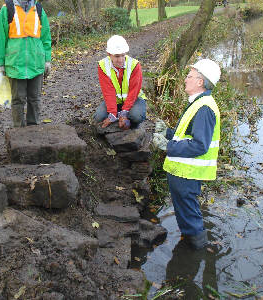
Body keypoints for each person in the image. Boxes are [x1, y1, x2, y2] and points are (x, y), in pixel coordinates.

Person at [153, 59, 221, 250]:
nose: (185, 79)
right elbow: (187, 133)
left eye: (189, 76)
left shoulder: (204, 107)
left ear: (200, 81)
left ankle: (195, 253)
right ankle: (192, 247)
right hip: (184, 172)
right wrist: (167, 132)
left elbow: (200, 145)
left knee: (189, 216)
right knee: (187, 213)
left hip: (188, 173)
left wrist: (168, 146)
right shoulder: (198, 103)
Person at [0, 0, 52, 127]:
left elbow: (46, 37)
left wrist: (47, 60)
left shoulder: (39, 9)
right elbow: (0, 37)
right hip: (15, 64)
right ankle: (18, 132)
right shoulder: (7, 9)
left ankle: (33, 129)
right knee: (17, 100)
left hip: (36, 63)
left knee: (35, 100)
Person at [94, 35, 147, 130]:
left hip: (135, 100)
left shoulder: (135, 65)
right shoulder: (102, 66)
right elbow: (108, 91)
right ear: (109, 54)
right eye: (117, 56)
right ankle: (117, 115)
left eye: (123, 55)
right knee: (99, 117)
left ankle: (133, 127)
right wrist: (112, 113)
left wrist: (124, 112)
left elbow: (133, 91)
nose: (121, 59)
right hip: (115, 102)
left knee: (136, 116)